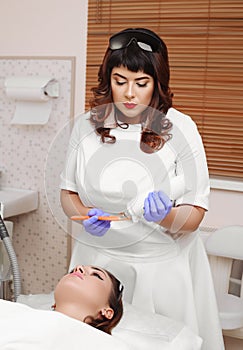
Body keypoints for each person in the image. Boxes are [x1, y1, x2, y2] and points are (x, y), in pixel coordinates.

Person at [60, 28, 224, 349]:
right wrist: (84, 217)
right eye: (120, 81)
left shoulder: (181, 128)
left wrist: (165, 216)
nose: (129, 94)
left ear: (157, 83)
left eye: (141, 83)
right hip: (98, 260)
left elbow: (194, 215)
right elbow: (68, 195)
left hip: (160, 266)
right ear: (108, 78)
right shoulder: (87, 125)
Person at [53, 264, 124, 335]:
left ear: (107, 312)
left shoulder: (106, 345)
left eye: (96, 275)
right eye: (71, 271)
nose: (78, 268)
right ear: (54, 304)